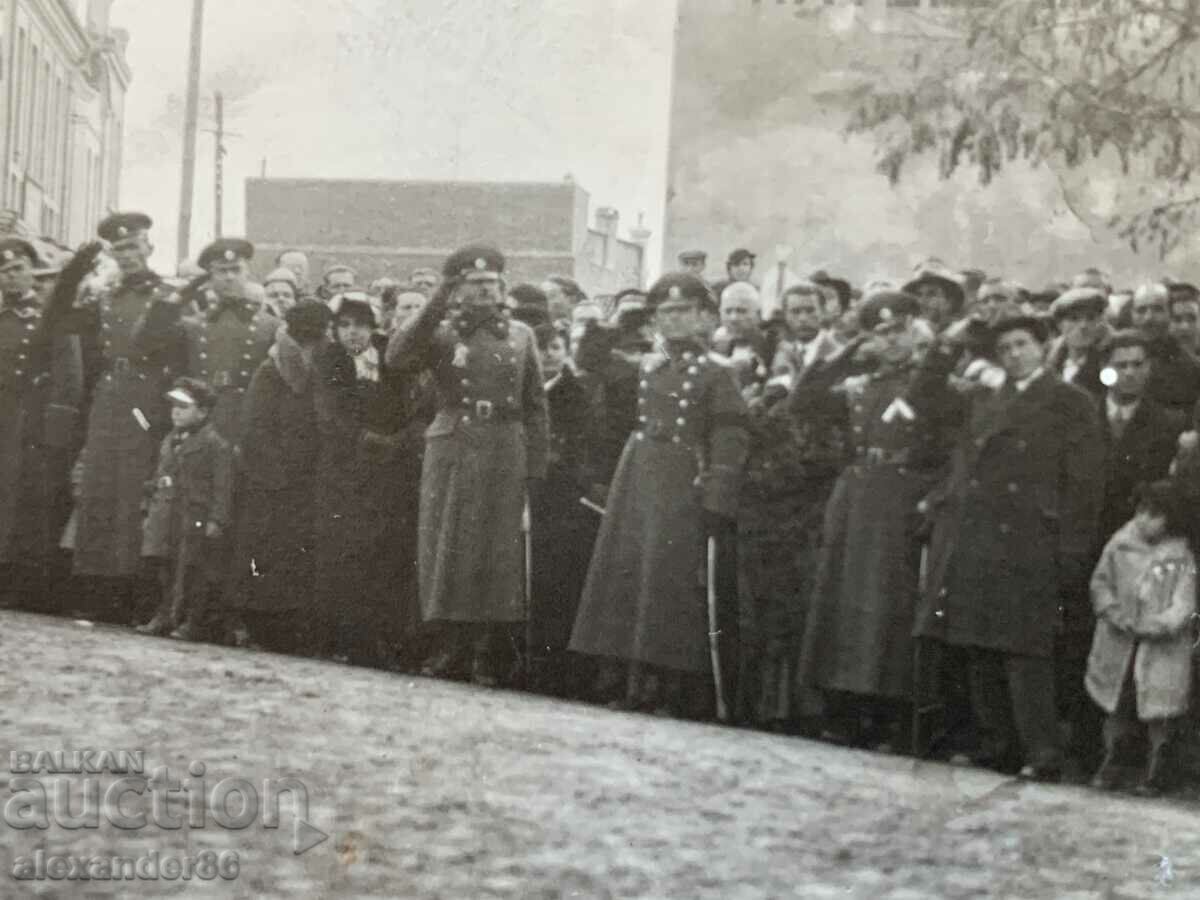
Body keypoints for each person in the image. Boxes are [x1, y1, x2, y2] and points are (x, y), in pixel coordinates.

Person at [913, 314, 1104, 780]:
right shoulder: (987, 398)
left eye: (1022, 344)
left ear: (1043, 347)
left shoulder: (1069, 401)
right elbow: (925, 403)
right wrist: (948, 346)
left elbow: (1086, 483)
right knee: (980, 645)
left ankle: (1042, 753)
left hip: (1034, 538)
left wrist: (1072, 549)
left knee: (1026, 651)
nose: (1014, 355)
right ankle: (997, 744)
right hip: (980, 536)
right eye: (1005, 349)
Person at [569, 272, 749, 717]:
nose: (672, 321)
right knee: (631, 573)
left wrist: (718, 495)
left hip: (682, 476)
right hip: (640, 473)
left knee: (666, 580)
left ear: (705, 317)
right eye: (664, 313)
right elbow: (590, 357)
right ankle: (628, 676)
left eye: (682, 312)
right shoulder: (649, 364)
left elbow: (730, 438)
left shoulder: (719, 373)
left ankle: (664, 683)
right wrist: (622, 321)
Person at [795, 291, 955, 750]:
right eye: (880, 332)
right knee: (845, 601)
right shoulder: (859, 383)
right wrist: (847, 350)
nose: (891, 341)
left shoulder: (932, 382)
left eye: (899, 330)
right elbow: (804, 402)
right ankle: (844, 707)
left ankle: (888, 712)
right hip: (857, 493)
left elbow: (951, 445)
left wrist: (934, 497)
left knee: (890, 606)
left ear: (915, 330)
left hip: (903, 493)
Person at [387, 245, 548, 685]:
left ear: (502, 288)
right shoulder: (440, 332)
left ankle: (485, 651)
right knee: (448, 545)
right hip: (454, 443)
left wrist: (535, 463)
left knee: (497, 549)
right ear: (458, 288)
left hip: (503, 446)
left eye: (490, 284)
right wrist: (438, 298)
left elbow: (536, 403)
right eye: (472, 284)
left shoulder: (520, 336)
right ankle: (449, 645)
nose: (483, 292)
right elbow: (397, 357)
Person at [71, 212, 188, 624]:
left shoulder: (168, 297)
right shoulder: (103, 296)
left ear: (149, 248)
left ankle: (130, 591)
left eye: (134, 246)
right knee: (101, 489)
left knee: (135, 491)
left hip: (148, 399)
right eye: (120, 248)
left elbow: (179, 357)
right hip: (108, 399)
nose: (128, 255)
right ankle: (96, 588)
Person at [312, 292, 416, 666]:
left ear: (373, 328)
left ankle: (375, 640)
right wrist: (367, 439)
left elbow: (410, 406)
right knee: (341, 550)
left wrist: (399, 441)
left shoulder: (391, 362)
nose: (352, 333)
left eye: (359, 325)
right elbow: (328, 414)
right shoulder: (329, 361)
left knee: (381, 553)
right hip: (343, 470)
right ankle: (338, 636)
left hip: (387, 472)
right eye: (344, 326)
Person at [228, 302, 330, 654]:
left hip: (300, 475)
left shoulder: (304, 364)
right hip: (280, 477)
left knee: (283, 552)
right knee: (269, 551)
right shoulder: (273, 370)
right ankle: (264, 624)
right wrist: (278, 472)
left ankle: (280, 625)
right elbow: (255, 426)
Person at [1086, 481, 1196, 795]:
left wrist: (1161, 624)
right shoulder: (1120, 545)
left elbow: (1184, 603)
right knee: (1118, 701)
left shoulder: (1181, 556)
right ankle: (1114, 759)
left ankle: (1157, 767)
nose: (1146, 520)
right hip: (1121, 640)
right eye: (1142, 511)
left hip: (1159, 647)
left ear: (1171, 518)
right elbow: (1100, 583)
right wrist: (1112, 611)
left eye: (1156, 514)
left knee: (1158, 709)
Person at [0, 238, 84, 612]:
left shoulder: (50, 314)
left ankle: (19, 581)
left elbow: (69, 371)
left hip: (28, 421)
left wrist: (58, 422)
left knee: (24, 501)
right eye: (3, 271)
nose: (10, 277)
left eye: (17, 269)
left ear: (32, 273)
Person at [137, 378, 232, 640]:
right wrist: (148, 509)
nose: (176, 411)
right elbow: (157, 478)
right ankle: (164, 615)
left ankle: (191, 621)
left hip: (194, 517)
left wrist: (217, 519)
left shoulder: (215, 445)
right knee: (165, 568)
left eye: (184, 407)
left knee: (193, 571)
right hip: (167, 514)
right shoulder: (169, 441)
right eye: (174, 406)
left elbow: (222, 487)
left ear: (203, 412)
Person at [526, 323, 593, 695]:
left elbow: (581, 444)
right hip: (532, 491)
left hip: (563, 497)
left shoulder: (576, 392)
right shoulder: (525, 390)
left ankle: (556, 668)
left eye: (556, 346)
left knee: (558, 578)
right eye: (542, 348)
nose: (549, 354)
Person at [1134, 281, 1200, 414]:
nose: (1148, 318)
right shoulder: (1115, 352)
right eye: (1141, 310)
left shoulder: (1190, 367)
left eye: (1157, 309)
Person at [1046, 286, 1109, 399]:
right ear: (1060, 325)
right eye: (1074, 319)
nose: (1083, 326)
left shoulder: (1106, 362)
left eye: (1091, 318)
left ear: (1100, 323)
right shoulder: (1050, 364)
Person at [903, 259, 966, 332]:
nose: (922, 301)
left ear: (950, 301)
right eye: (918, 294)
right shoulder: (911, 333)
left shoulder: (963, 334)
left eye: (932, 294)